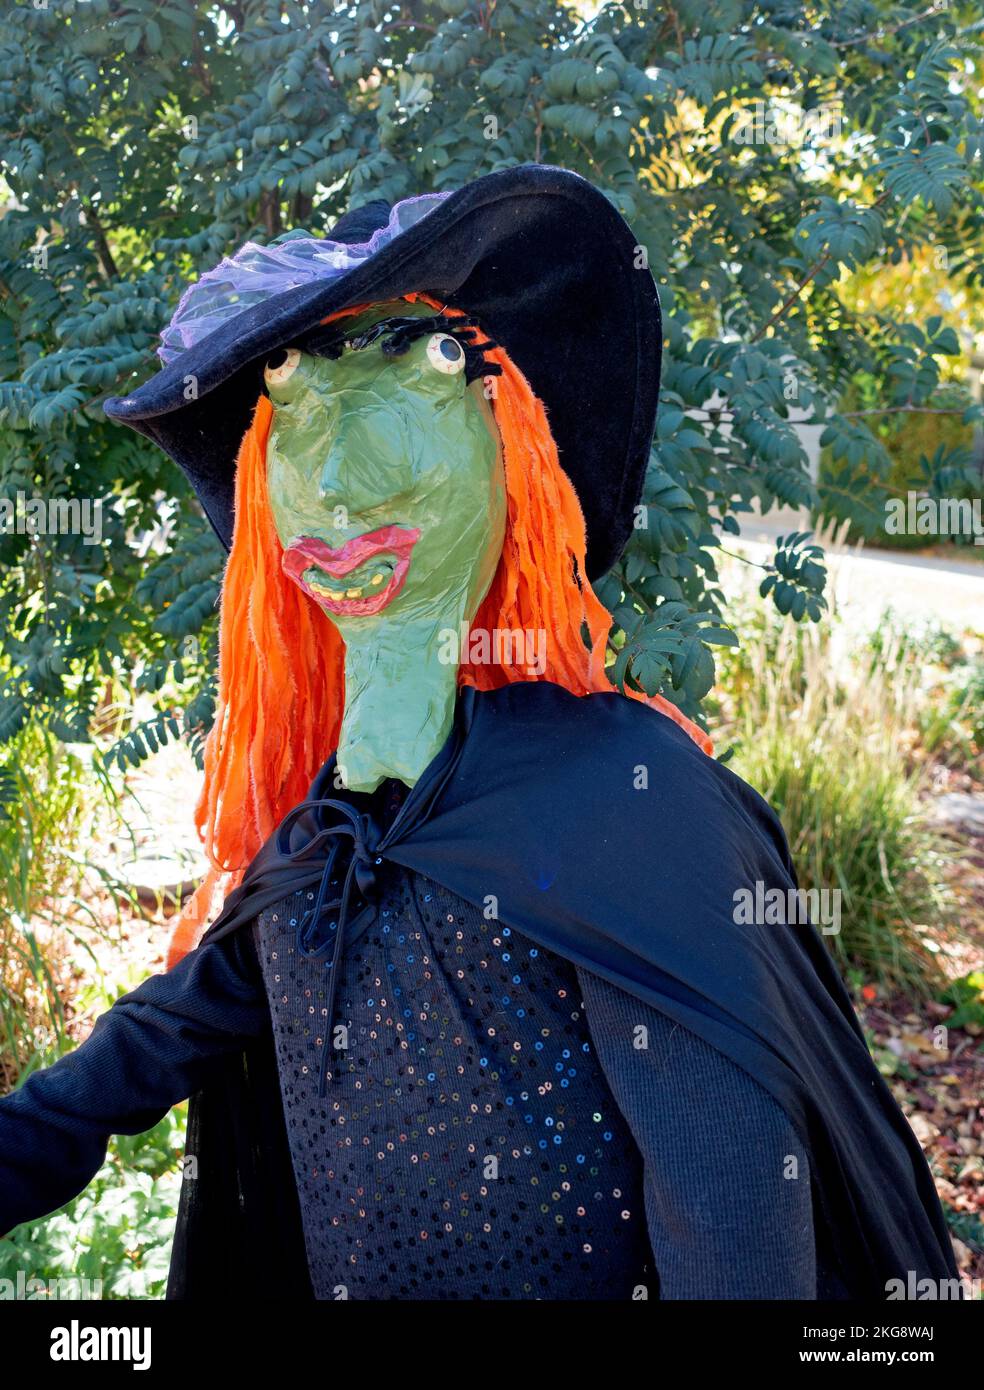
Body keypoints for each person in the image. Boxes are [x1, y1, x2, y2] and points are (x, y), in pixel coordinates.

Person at [0, 165, 958, 1301]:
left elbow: (739, 1241)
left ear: (517, 455)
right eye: (296, 401)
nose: (340, 483)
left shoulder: (630, 806)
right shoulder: (321, 840)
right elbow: (109, 1079)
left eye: (426, 369)